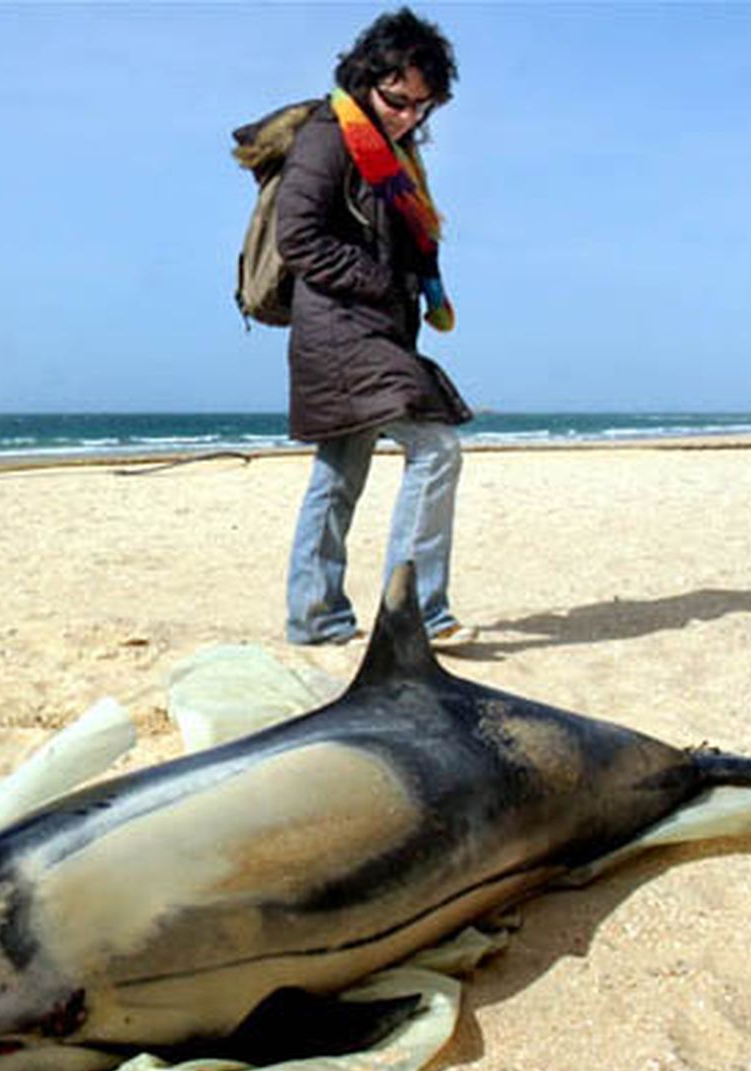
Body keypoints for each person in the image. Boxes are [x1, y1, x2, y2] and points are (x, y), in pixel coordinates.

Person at [277, 7, 476, 648]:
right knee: (436, 448)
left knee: (339, 474)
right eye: (397, 101)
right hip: (340, 330)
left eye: (422, 107)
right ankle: (415, 614)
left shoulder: (398, 150)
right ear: (367, 78)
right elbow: (298, 239)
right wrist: (382, 282)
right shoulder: (327, 136)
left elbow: (412, 236)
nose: (408, 116)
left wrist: (423, 285)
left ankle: (316, 619)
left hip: (378, 328)